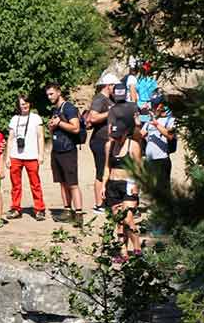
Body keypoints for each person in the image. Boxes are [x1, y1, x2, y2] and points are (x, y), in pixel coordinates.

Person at [105, 109, 142, 261]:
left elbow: (139, 168)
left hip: (128, 184)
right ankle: (123, 253)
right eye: (114, 136)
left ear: (125, 133)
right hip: (112, 185)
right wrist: (103, 186)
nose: (116, 139)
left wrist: (137, 185)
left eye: (118, 136)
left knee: (128, 219)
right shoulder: (109, 145)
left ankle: (138, 248)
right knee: (119, 222)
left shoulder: (133, 146)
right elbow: (106, 167)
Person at [45, 82, 83, 224]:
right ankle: (67, 210)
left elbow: (76, 128)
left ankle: (78, 214)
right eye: (48, 95)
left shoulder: (69, 108)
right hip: (57, 149)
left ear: (59, 92)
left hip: (68, 149)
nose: (49, 97)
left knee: (72, 183)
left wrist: (59, 123)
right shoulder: (55, 110)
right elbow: (54, 129)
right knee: (62, 182)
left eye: (51, 94)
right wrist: (52, 127)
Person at [6, 94, 45, 220]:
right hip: (16, 156)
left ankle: (39, 209)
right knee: (15, 184)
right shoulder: (14, 119)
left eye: (26, 103)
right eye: (22, 104)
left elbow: (40, 137)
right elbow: (10, 139)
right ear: (18, 105)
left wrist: (41, 154)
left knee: (35, 183)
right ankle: (16, 208)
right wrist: (7, 156)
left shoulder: (36, 118)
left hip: (32, 156)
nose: (25, 106)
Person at [87, 72, 119, 214]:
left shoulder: (109, 99)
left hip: (108, 141)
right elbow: (92, 118)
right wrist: (110, 112)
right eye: (114, 86)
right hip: (100, 141)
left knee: (109, 171)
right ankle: (99, 204)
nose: (116, 89)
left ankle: (106, 201)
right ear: (108, 86)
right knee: (101, 172)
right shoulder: (100, 99)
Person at [143, 91, 177, 198]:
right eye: (152, 104)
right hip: (149, 160)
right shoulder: (150, 119)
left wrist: (156, 124)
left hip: (162, 159)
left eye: (155, 105)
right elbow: (140, 135)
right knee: (151, 189)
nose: (153, 107)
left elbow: (170, 136)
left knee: (164, 190)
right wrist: (135, 124)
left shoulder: (170, 119)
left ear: (162, 105)